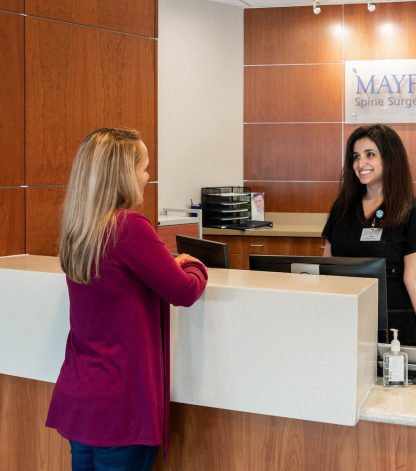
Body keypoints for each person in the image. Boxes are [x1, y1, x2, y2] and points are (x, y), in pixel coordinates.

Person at [46, 128, 208, 471]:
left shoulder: (80, 226)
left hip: (82, 398)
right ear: (122, 174)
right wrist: (193, 264)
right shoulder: (129, 226)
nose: (148, 177)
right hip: (121, 406)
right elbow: (184, 291)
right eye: (144, 168)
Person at [322, 124, 416, 345]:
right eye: (356, 156)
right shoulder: (342, 208)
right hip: (346, 317)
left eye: (370, 154)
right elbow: (326, 264)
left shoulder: (410, 211)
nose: (360, 164)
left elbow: (412, 277)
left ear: (390, 159)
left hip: (394, 323)